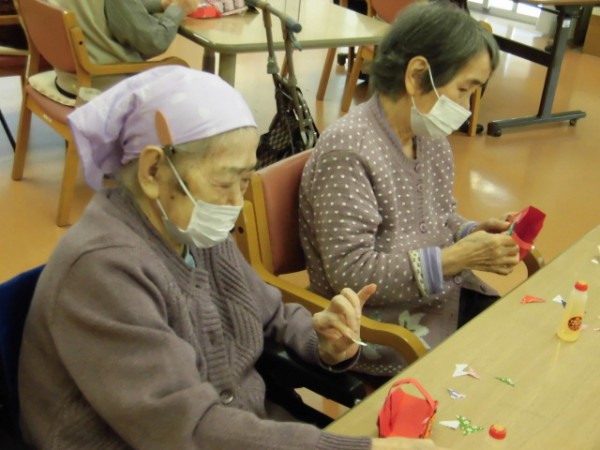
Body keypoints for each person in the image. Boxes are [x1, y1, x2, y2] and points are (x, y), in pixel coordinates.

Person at [18, 66, 446, 450]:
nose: (236, 204)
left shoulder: (188, 224)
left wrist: (323, 341)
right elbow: (188, 431)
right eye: (225, 183)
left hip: (234, 427)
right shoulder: (103, 271)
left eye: (245, 181)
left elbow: (269, 313)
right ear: (152, 172)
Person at [299, 1, 520, 377]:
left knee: (523, 341)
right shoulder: (348, 149)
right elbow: (350, 274)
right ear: (417, 76)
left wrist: (471, 233)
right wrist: (456, 258)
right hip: (383, 325)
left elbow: (440, 216)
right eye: (463, 90)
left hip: (440, 299)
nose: (466, 107)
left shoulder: (429, 136)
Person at [41, 0, 196, 101]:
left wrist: (161, 4)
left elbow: (113, 6)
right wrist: (179, 9)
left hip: (66, 78)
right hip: (101, 84)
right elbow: (155, 41)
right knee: (188, 76)